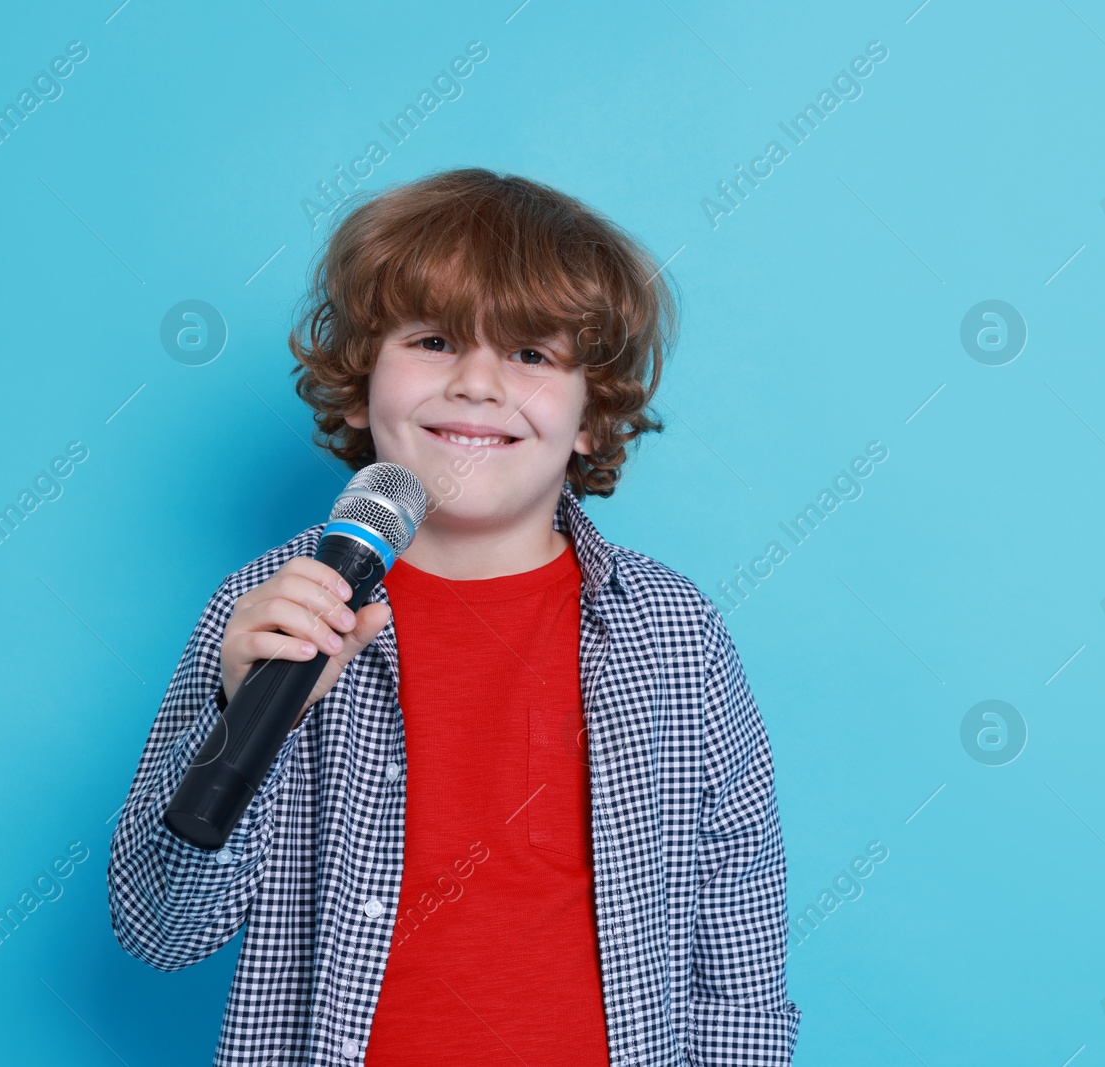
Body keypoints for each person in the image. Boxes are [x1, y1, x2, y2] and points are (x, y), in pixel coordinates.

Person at [106, 167, 800, 1065]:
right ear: (360, 387)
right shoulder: (272, 610)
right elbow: (162, 930)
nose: (477, 384)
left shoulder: (673, 632)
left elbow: (737, 950)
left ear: (593, 415)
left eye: (531, 354)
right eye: (434, 340)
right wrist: (244, 721)